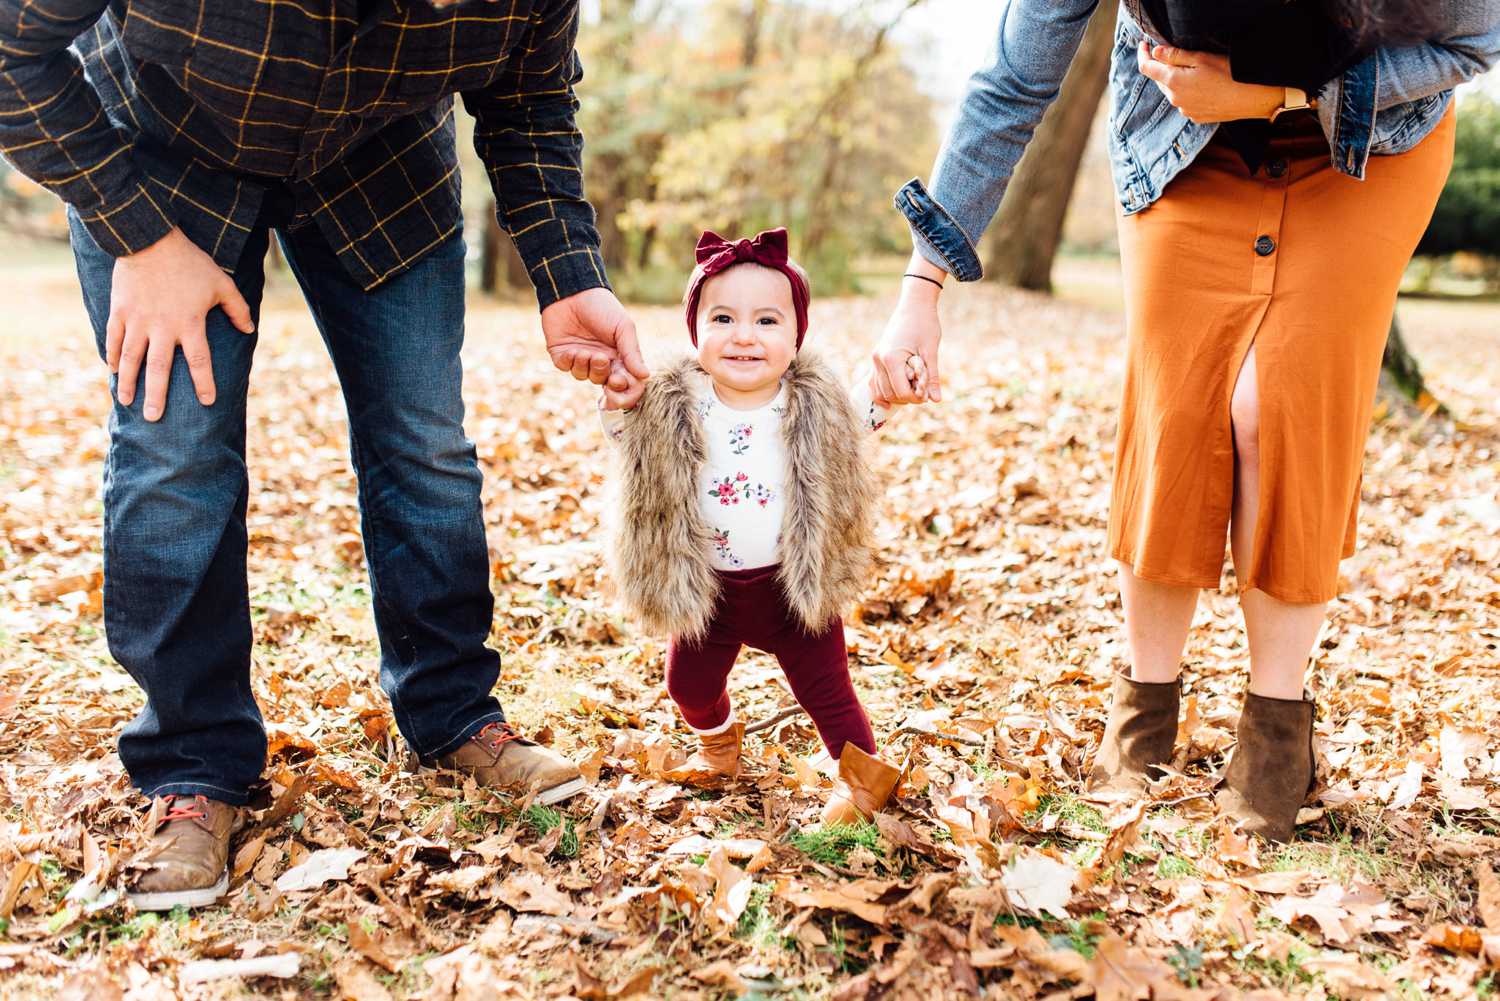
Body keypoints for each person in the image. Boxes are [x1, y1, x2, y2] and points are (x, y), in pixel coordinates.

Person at [0, 0, 648, 910]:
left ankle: (453, 711)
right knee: (173, 455)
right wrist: (138, 238)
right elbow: (10, 52)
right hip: (158, 156)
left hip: (378, 159)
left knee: (424, 442)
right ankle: (193, 764)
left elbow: (528, 96)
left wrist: (568, 267)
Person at [870, 0, 1500, 841]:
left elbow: (1478, 36)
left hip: (1368, 148)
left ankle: (1278, 724)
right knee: (1178, 407)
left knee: (1279, 407)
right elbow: (1014, 82)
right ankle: (1144, 709)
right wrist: (922, 292)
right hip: (1179, 141)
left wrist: (1275, 97)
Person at [601, 228, 921, 825]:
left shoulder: (814, 402)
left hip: (792, 589)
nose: (744, 335)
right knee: (687, 685)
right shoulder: (675, 404)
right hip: (708, 590)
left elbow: (861, 419)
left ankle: (862, 779)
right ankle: (719, 743)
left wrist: (890, 393)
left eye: (767, 322)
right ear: (695, 330)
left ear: (797, 337)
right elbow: (629, 442)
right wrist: (620, 401)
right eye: (722, 318)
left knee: (828, 692)